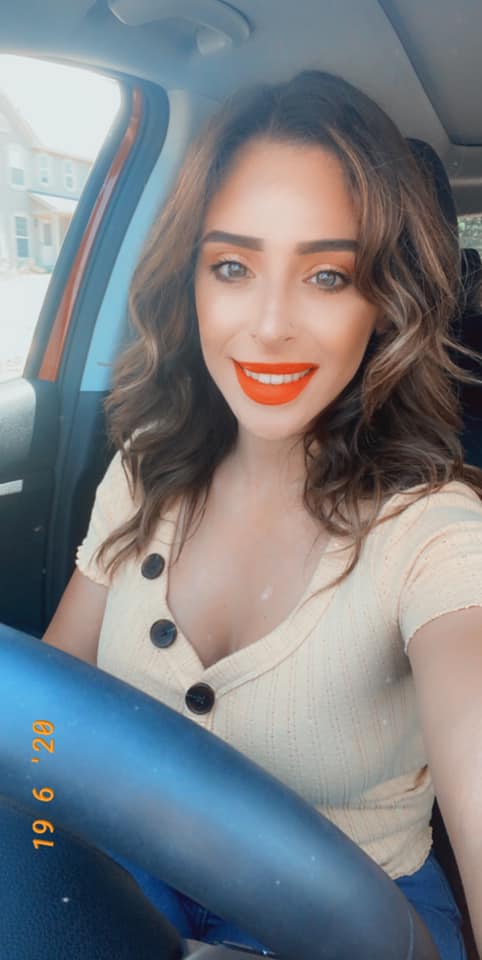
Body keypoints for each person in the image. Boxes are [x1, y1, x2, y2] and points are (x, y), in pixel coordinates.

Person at [43, 70, 482, 959]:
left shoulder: (434, 532)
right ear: (191, 281)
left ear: (384, 302)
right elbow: (44, 717)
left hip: (352, 921)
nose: (271, 325)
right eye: (234, 267)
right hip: (127, 887)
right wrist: (42, 847)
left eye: (327, 275)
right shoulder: (144, 471)